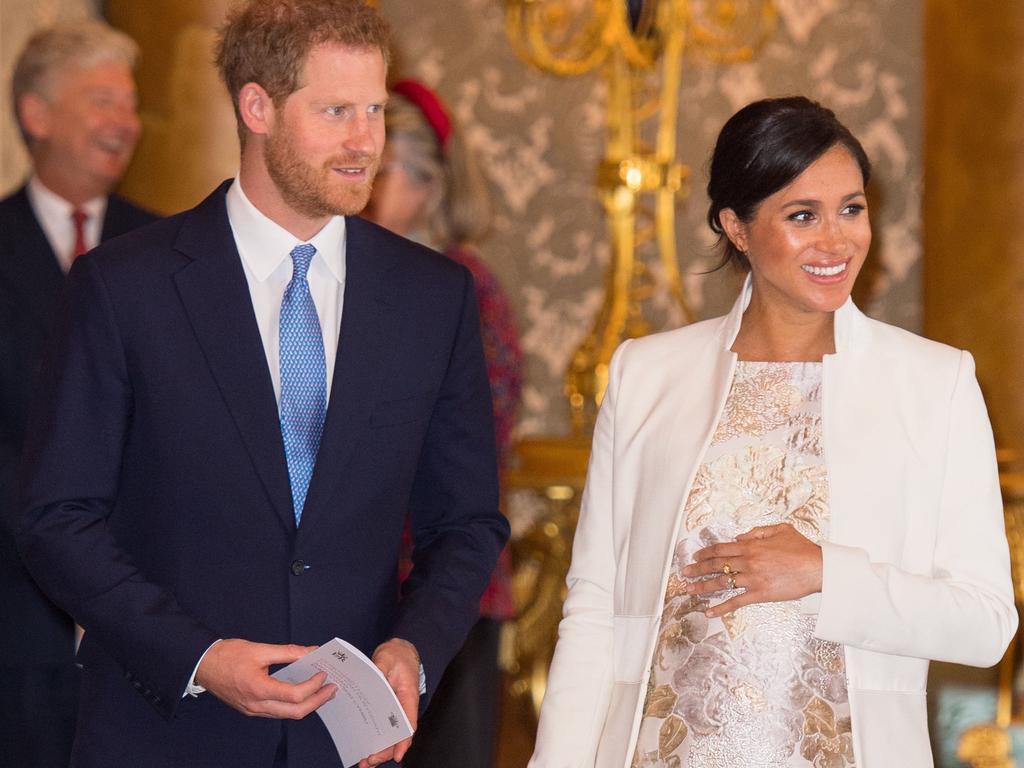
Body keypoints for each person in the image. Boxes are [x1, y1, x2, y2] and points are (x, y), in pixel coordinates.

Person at [15, 1, 509, 766]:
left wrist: (417, 646)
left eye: (375, 109)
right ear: (257, 107)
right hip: (162, 735)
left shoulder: (433, 297)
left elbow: (467, 523)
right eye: (336, 110)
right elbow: (57, 517)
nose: (365, 141)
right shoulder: (125, 285)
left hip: (347, 743)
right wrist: (199, 657)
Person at [528, 96, 1017, 767]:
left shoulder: (934, 383)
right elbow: (594, 610)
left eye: (852, 207)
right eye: (801, 216)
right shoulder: (648, 375)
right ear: (736, 226)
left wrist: (824, 572)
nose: (837, 239)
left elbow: (986, 623)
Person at [0, 20, 156, 768]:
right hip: (16, 621)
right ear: (37, 114)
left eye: (129, 104)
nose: (124, 123)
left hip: (149, 624)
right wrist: (71, 552)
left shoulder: (169, 253)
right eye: (102, 101)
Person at [365, 79, 522, 768]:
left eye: (379, 172)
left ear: (426, 188)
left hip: (448, 595)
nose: (362, 187)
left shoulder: (463, 287)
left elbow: (480, 440)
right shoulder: (339, 277)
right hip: (358, 591)